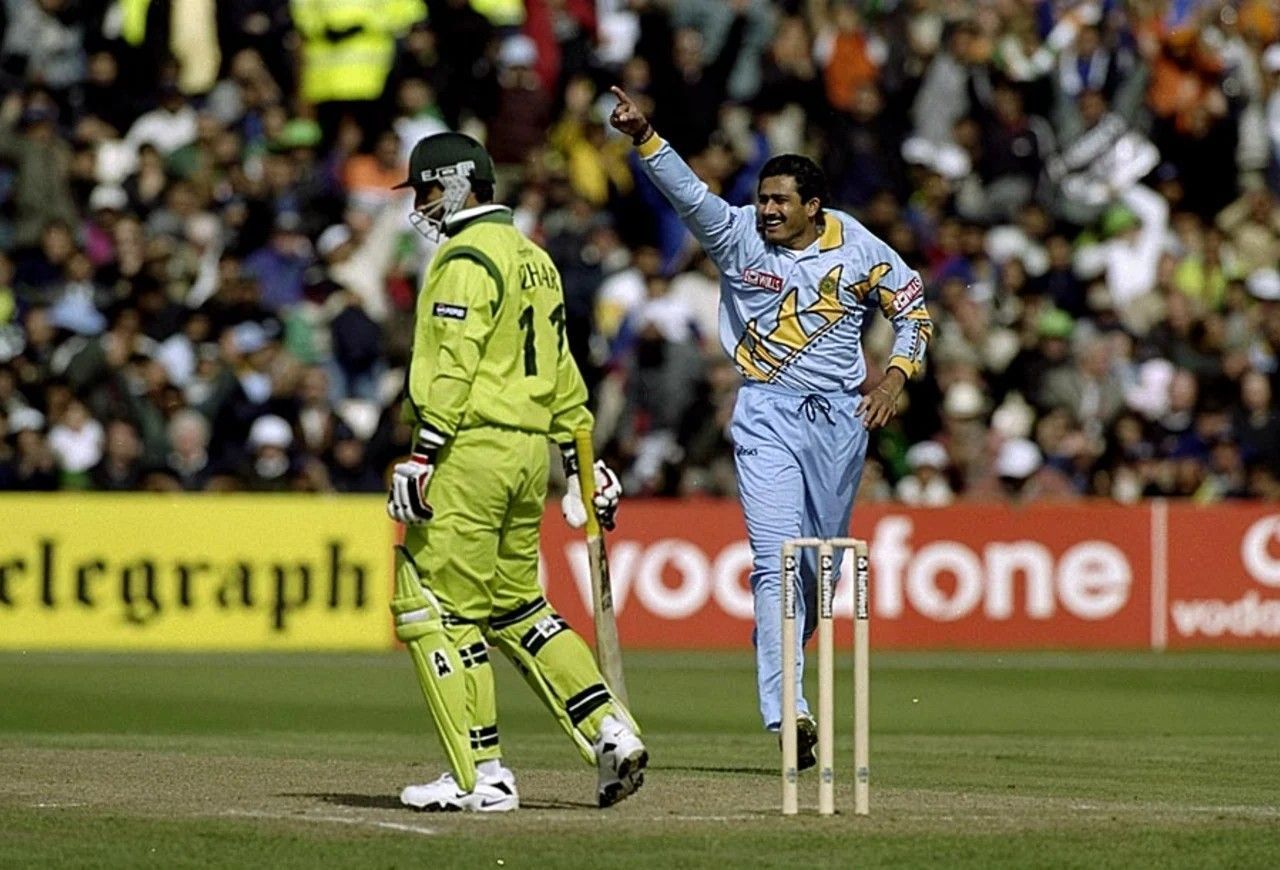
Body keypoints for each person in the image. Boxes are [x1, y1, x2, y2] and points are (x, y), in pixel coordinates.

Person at [609, 88, 932, 767]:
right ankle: (789, 707)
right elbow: (691, 197)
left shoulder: (858, 247)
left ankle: (791, 664)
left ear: (814, 206)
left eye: (780, 201)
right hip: (765, 413)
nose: (767, 211)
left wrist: (896, 377)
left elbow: (912, 308)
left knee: (819, 572)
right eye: (762, 199)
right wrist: (645, 137)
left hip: (842, 422)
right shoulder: (736, 238)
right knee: (775, 561)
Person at [384, 131, 646, 812]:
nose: (422, 204)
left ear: (460, 184)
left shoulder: (465, 257)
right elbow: (562, 373)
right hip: (530, 454)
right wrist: (582, 461)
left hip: (471, 449)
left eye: (428, 189)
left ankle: (480, 775)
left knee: (433, 603)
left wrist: (422, 455)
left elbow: (452, 363)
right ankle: (607, 728)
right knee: (514, 605)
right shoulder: (535, 259)